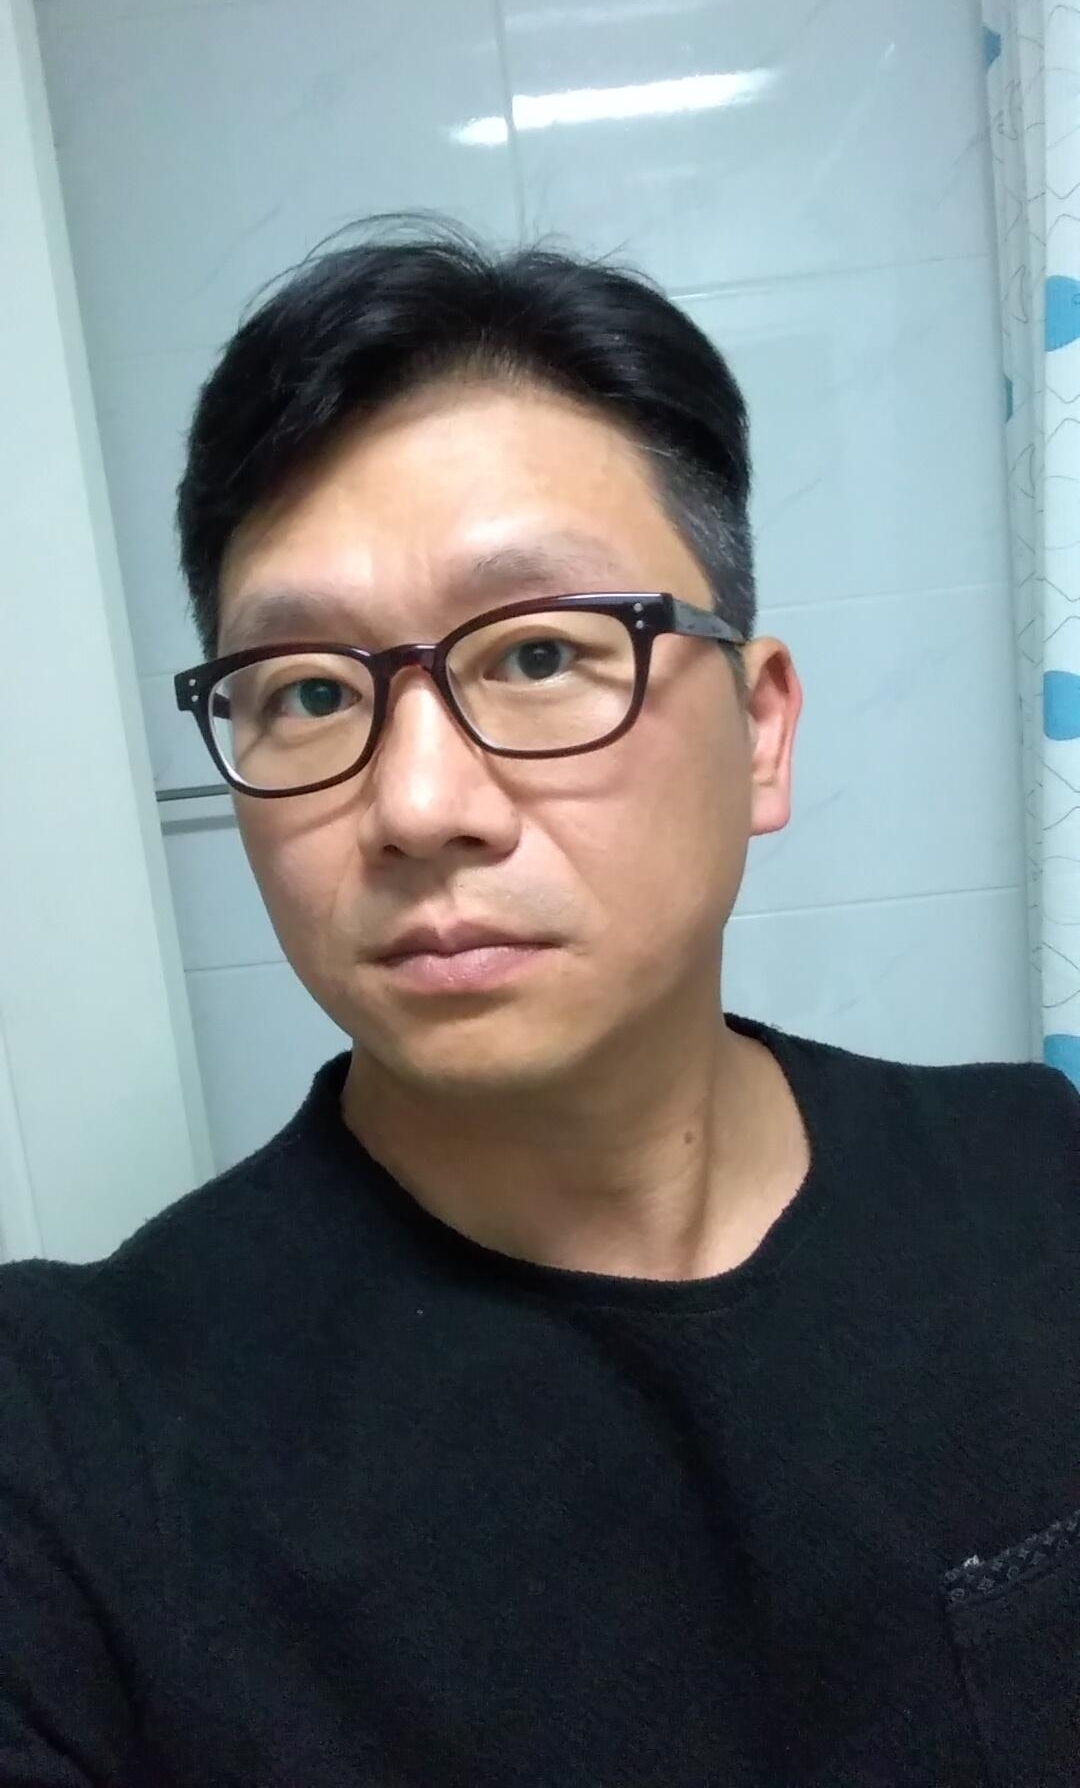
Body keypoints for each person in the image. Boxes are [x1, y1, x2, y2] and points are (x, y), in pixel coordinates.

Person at [1, 216, 1077, 1788]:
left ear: (761, 733)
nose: (418, 805)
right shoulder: (73, 1445)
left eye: (537, 656)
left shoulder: (1038, 1178)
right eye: (309, 691)